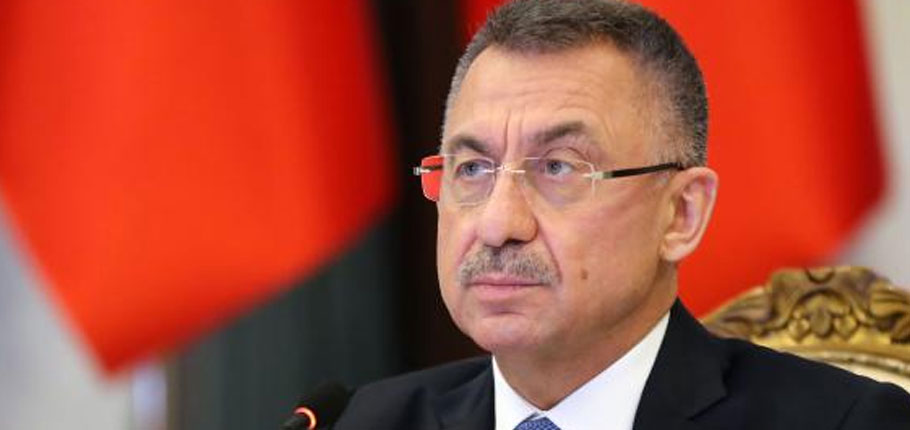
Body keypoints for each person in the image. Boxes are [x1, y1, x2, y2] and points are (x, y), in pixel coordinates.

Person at [333, 0, 910, 428]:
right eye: (473, 169)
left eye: (558, 167)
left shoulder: (843, 422)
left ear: (681, 214)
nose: (498, 224)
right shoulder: (365, 421)